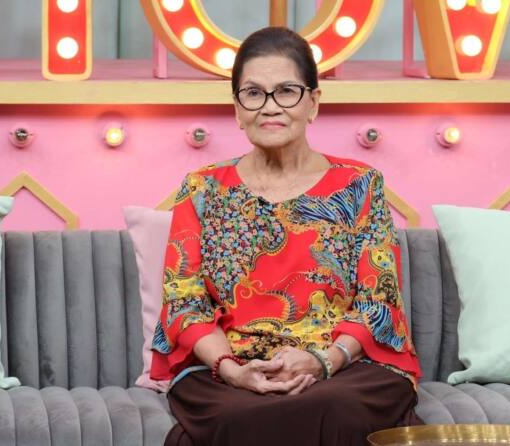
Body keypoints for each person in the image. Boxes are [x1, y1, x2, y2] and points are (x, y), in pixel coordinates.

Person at [150, 26, 423, 446]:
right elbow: (184, 303)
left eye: (286, 92)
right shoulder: (202, 188)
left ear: (313, 102)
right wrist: (233, 371)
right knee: (239, 413)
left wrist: (323, 362)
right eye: (253, 93)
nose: (270, 106)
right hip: (230, 370)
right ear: (237, 108)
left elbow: (378, 299)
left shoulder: (360, 184)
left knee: (334, 407)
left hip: (342, 368)